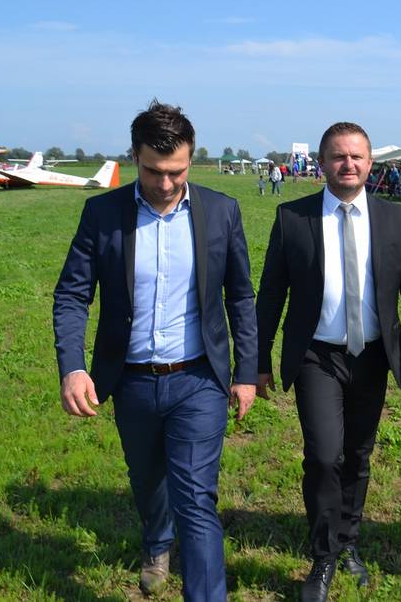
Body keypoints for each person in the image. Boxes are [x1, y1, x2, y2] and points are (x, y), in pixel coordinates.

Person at [53, 100, 258, 600]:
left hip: (199, 379)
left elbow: (240, 296)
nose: (165, 184)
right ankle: (156, 543)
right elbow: (73, 294)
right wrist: (73, 367)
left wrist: (247, 371)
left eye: (177, 171)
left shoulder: (221, 212)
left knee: (196, 499)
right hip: (132, 380)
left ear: (191, 159)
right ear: (134, 157)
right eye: (152, 171)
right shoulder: (102, 214)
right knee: (147, 481)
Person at [255, 122, 401, 602]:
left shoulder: (394, 218)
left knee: (358, 455)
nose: (348, 164)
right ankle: (323, 556)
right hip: (316, 356)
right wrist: (257, 361)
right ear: (321, 163)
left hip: (372, 356)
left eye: (357, 156)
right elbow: (271, 293)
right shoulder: (292, 218)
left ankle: (348, 542)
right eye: (339, 156)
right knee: (323, 456)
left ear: (370, 163)